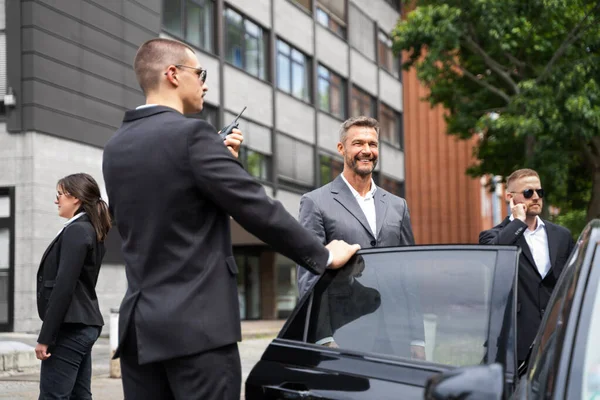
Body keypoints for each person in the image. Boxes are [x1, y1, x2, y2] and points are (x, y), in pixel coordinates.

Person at [102, 38, 360, 400]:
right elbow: (256, 207)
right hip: (198, 333)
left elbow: (171, 212)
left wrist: (220, 163)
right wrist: (323, 255)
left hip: (139, 334)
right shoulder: (193, 135)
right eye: (199, 73)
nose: (204, 83)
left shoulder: (115, 147)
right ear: (172, 74)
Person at [296, 116, 425, 359]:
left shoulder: (398, 205)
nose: (366, 151)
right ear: (341, 148)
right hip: (344, 333)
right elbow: (308, 275)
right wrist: (323, 337)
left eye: (372, 144)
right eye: (358, 143)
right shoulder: (315, 202)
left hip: (397, 335)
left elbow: (409, 274)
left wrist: (417, 337)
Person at [479, 168, 574, 365]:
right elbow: (494, 256)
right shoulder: (492, 236)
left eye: (540, 192)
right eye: (529, 193)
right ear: (509, 197)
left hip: (556, 336)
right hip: (514, 341)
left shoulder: (561, 235)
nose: (536, 197)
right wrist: (518, 222)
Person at [35, 173, 112, 399]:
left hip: (71, 327)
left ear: (75, 198)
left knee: (53, 396)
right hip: (81, 324)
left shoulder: (78, 230)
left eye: (59, 195)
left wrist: (45, 337)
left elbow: (64, 287)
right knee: (79, 396)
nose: (56, 200)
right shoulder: (88, 229)